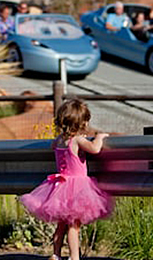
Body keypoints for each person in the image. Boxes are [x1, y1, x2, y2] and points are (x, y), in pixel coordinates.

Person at [20, 99, 114, 260]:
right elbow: (95, 149)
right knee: (74, 225)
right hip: (76, 187)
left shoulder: (58, 140)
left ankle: (56, 254)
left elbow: (53, 147)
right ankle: (74, 257)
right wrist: (99, 137)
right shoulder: (77, 140)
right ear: (81, 123)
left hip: (60, 185)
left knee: (61, 225)